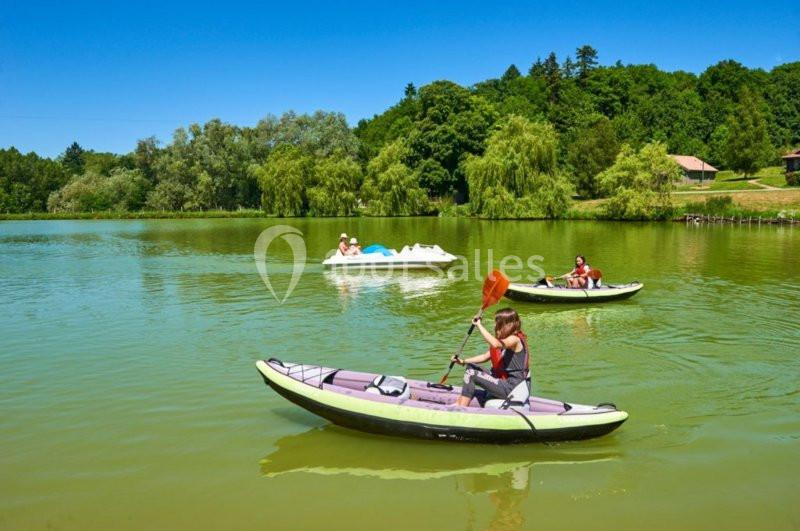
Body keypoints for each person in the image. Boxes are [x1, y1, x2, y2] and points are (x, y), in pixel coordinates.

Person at [452, 308, 529, 408]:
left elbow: (495, 344)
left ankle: (461, 409)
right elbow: (484, 357)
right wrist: (463, 361)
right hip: (504, 381)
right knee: (471, 367)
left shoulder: (515, 339)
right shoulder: (505, 341)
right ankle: (459, 403)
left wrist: (479, 325)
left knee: (471, 374)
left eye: (498, 324)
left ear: (508, 325)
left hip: (512, 388)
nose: (495, 326)